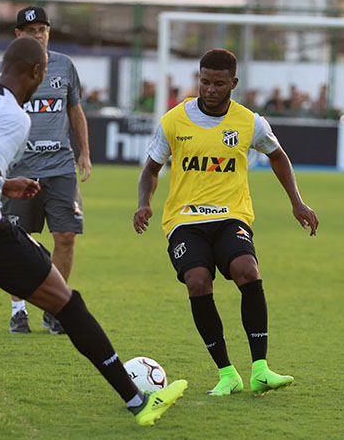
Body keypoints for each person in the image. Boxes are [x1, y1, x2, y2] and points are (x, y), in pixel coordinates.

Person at [0, 37, 186, 426]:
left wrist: (5, 186)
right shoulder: (12, 114)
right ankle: (138, 402)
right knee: (67, 302)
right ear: (38, 73)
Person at [133, 48, 318, 396]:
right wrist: (144, 203)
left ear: (233, 83)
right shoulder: (174, 121)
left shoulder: (250, 122)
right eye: (204, 82)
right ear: (198, 79)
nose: (210, 89)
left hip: (231, 214)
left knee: (247, 270)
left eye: (219, 83)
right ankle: (226, 373)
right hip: (184, 220)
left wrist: (297, 202)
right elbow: (150, 170)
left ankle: (261, 369)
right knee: (198, 280)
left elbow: (278, 156)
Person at [0, 6, 93, 334]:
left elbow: (75, 111)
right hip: (20, 168)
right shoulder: (2, 70)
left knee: (66, 236)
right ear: (18, 35)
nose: (38, 35)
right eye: (31, 30)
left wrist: (84, 153)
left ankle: (54, 308)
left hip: (60, 166)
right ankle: (19, 310)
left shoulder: (64, 66)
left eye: (43, 29)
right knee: (19, 239)